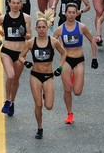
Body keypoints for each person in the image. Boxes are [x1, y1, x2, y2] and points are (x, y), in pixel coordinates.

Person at [18, 9, 66, 139]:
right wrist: (26, 62)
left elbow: (64, 53)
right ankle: (39, 128)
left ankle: (46, 93)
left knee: (49, 106)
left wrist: (60, 68)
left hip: (49, 76)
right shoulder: (31, 42)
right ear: (36, 29)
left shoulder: (54, 42)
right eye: (39, 27)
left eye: (43, 27)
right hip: (35, 75)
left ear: (47, 27)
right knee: (38, 105)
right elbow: (20, 56)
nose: (41, 30)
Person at [53, 3, 98, 124]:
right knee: (67, 89)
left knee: (77, 92)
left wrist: (94, 58)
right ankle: (70, 113)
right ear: (65, 13)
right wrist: (59, 50)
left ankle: (74, 78)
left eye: (74, 12)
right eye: (69, 12)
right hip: (66, 61)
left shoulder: (82, 27)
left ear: (77, 13)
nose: (71, 15)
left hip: (79, 60)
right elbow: (52, 44)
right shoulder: (60, 29)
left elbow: (92, 39)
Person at [0, 0, 32, 117]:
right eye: (13, 3)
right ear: (9, 3)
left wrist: (23, 33)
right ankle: (7, 100)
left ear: (21, 5)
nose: (15, 5)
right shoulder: (3, 18)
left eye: (17, 3)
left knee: (15, 80)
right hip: (7, 51)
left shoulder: (26, 18)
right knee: (10, 75)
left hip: (20, 53)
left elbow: (30, 36)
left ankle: (12, 102)